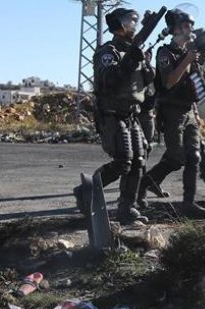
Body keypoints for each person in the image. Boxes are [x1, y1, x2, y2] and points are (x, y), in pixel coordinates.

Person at [141, 8, 205, 218]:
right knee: (177, 158)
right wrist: (187, 61)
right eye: (186, 26)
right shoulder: (166, 53)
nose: (190, 30)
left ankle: (188, 203)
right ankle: (142, 186)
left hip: (188, 110)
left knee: (195, 156)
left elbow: (198, 79)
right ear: (175, 30)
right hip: (172, 112)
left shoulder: (186, 54)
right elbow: (169, 82)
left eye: (190, 26)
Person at [74, 8, 152, 224]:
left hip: (132, 114)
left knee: (138, 161)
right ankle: (85, 191)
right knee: (122, 162)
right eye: (130, 22)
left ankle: (126, 208)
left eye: (135, 22)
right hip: (112, 113)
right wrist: (131, 61)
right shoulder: (108, 51)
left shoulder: (134, 51)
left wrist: (145, 63)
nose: (134, 26)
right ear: (118, 26)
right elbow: (109, 79)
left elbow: (144, 82)